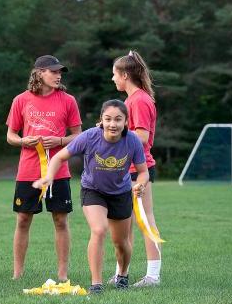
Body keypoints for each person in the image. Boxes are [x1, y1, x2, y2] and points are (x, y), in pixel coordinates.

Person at [34, 99, 148, 293]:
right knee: (99, 229)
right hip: (93, 190)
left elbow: (143, 171)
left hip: (121, 193)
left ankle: (123, 274)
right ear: (101, 120)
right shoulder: (89, 137)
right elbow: (59, 157)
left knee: (121, 243)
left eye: (118, 119)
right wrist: (49, 176)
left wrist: (140, 184)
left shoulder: (132, 140)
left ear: (126, 122)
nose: (113, 124)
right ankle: (96, 284)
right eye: (108, 119)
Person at [6, 55, 82, 281]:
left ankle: (62, 274)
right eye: (54, 72)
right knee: (23, 219)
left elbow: (78, 136)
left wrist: (59, 142)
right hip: (28, 171)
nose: (59, 76)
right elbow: (10, 135)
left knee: (60, 220)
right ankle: (17, 273)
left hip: (58, 171)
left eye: (60, 72)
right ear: (39, 73)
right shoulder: (21, 100)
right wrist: (23, 141)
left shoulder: (68, 100)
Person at [109, 50, 162, 287]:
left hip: (138, 169)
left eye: (115, 74)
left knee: (145, 220)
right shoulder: (130, 100)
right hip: (125, 169)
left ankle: (153, 276)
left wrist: (110, 131)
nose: (113, 79)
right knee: (125, 223)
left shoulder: (139, 100)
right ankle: (122, 274)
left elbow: (141, 137)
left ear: (125, 75)